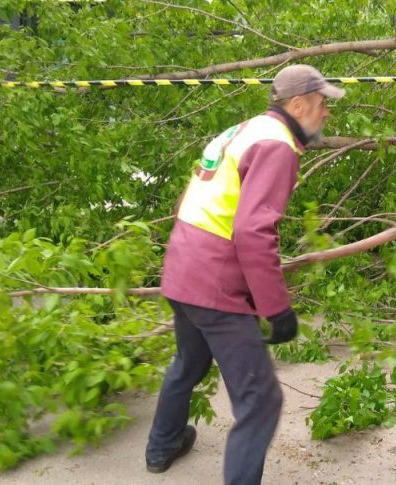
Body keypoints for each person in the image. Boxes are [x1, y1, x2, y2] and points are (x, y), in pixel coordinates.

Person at [144, 64, 344, 485]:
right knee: (260, 401)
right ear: (298, 104)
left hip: (182, 265)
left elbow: (190, 194)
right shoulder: (277, 146)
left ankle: (163, 445)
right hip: (213, 282)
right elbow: (253, 231)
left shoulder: (242, 130)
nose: (326, 112)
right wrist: (277, 309)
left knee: (189, 360)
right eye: (323, 103)